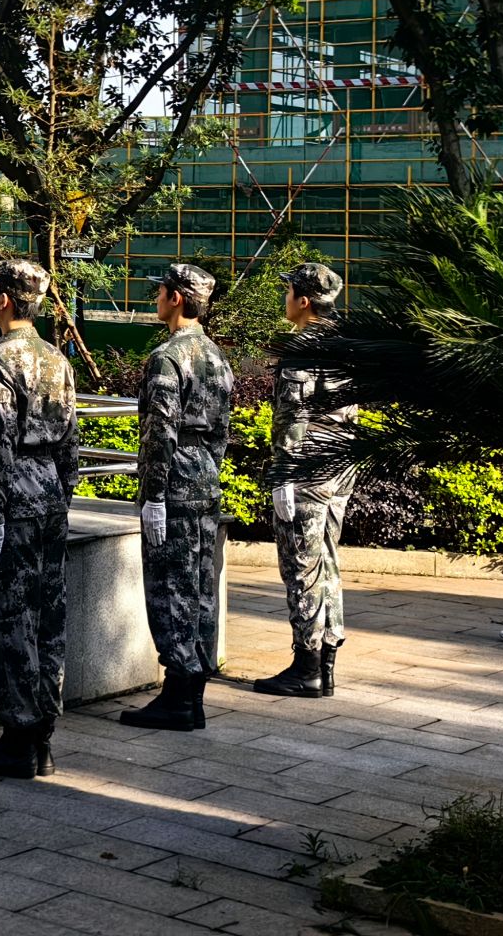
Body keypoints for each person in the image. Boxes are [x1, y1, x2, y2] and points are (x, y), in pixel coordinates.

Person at [0, 257, 79, 779]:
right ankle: (41, 735)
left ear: (4, 300)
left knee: (8, 618)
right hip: (49, 495)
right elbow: (70, 442)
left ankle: (18, 736)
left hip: (13, 501)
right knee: (47, 616)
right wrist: (62, 496)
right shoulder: (57, 360)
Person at [120, 262, 234, 731]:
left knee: (170, 590)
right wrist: (206, 471)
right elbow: (222, 431)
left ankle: (178, 697)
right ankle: (193, 696)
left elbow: (159, 433)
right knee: (200, 589)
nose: (156, 299)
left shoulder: (168, 357)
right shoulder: (216, 356)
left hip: (174, 487)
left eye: (161, 291)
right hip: (205, 479)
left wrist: (153, 495)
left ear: (178, 299)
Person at [256, 261, 358, 699]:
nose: (285, 300)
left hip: (306, 472)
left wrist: (284, 473)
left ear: (303, 300)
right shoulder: (344, 345)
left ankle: (307, 666)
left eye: (288, 293)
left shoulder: (303, 347)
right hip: (339, 467)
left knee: (301, 565)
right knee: (327, 562)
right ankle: (326, 663)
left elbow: (292, 415)